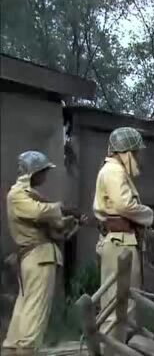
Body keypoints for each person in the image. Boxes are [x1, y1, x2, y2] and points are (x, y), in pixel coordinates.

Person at [2, 151, 79, 355]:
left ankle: (13, 348)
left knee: (25, 308)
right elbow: (39, 212)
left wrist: (68, 222)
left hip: (35, 257)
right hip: (38, 257)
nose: (45, 176)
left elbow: (48, 221)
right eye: (43, 171)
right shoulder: (18, 195)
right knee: (35, 312)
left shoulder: (30, 195)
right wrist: (61, 208)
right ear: (33, 172)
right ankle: (24, 349)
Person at [92, 127, 154, 337]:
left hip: (123, 240)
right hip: (121, 242)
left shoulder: (113, 171)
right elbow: (124, 205)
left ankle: (120, 345)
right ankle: (114, 348)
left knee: (124, 301)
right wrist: (148, 214)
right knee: (118, 302)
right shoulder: (114, 171)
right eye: (135, 152)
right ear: (126, 152)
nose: (137, 156)